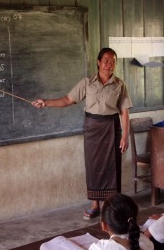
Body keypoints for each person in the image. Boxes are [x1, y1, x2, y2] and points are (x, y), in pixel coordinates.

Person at [32, 48, 132, 220]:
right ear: (98, 62)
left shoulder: (120, 84)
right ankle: (95, 206)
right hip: (93, 127)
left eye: (113, 61)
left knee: (112, 167)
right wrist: (46, 102)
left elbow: (124, 112)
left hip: (111, 127)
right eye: (106, 60)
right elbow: (67, 100)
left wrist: (125, 136)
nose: (109, 64)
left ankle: (111, 206)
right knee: (93, 166)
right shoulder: (87, 82)